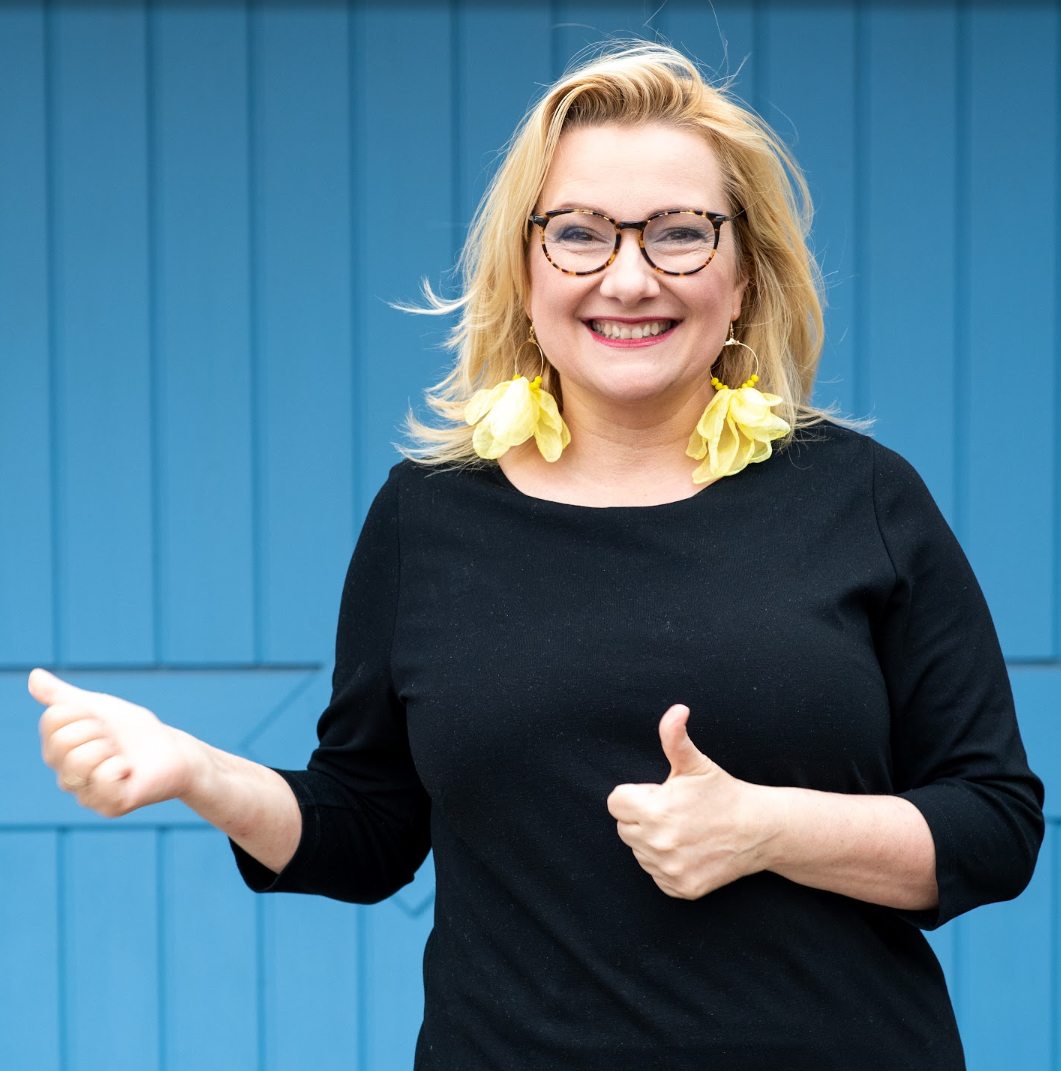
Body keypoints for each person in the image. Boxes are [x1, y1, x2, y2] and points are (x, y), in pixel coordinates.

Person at [30, 43, 1043, 1070]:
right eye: (579, 233)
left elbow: (994, 825)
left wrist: (767, 827)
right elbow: (367, 829)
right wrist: (198, 770)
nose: (629, 277)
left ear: (743, 276)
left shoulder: (861, 498)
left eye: (680, 233)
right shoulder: (426, 516)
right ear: (523, 273)